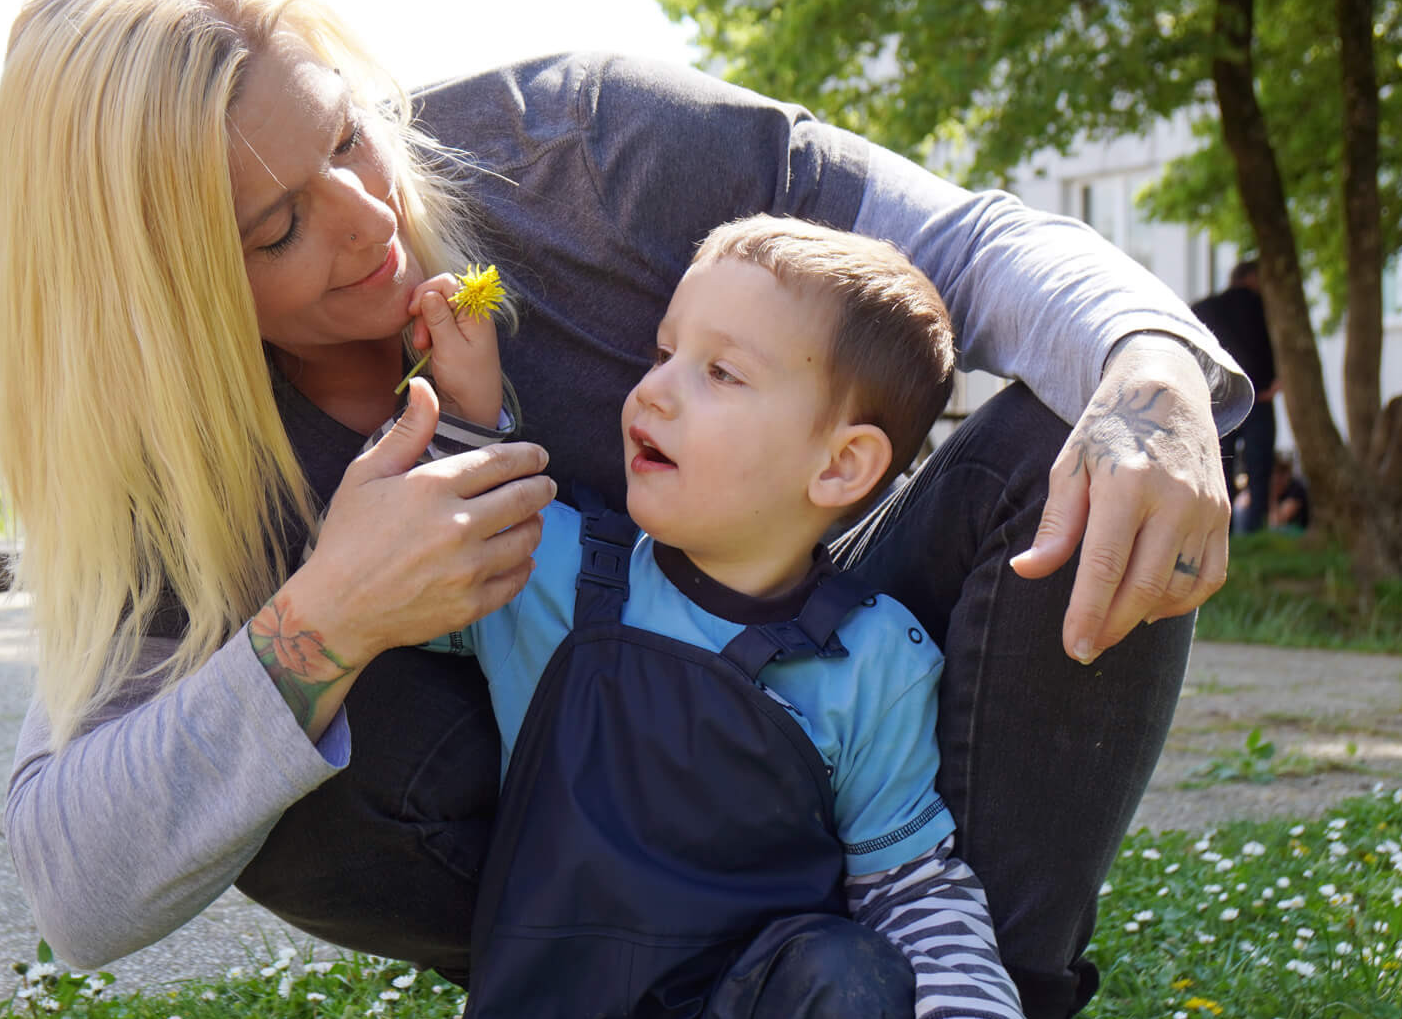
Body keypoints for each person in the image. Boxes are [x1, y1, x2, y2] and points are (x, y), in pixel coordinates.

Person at [0, 0, 1247, 1018]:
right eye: (274, 230)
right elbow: (75, 883)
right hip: (565, 895)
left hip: (810, 693)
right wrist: (326, 619)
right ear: (160, 289)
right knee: (255, 729)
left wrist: (1155, 374)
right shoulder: (162, 462)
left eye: (343, 132)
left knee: (1075, 437)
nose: (368, 213)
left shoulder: (590, 150)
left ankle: (987, 984)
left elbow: (974, 248)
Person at [390, 216, 1021, 1017]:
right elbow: (401, 573)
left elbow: (910, 889)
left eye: (720, 372)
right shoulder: (544, 565)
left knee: (848, 966)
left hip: (755, 999)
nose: (653, 388)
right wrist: (464, 417)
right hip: (553, 1000)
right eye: (663, 353)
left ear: (840, 464)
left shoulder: (877, 663)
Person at [1191, 260, 1277, 533]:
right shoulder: (1266, 307)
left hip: (1218, 399)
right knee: (1258, 469)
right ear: (1253, 277)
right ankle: (1254, 531)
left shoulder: (1203, 309)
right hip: (1259, 398)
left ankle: (1221, 534)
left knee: (1219, 469)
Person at [1262, 453, 1310, 532]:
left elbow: (1276, 521)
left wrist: (1273, 494)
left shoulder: (1296, 489)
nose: (1274, 479)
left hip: (1299, 532)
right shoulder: (1271, 489)